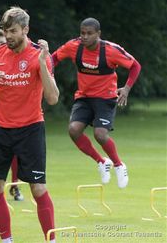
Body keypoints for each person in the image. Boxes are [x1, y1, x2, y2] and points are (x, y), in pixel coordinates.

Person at [0, 7, 59, 243]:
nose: (8, 36)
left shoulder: (39, 55)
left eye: (13, 31)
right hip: (1, 130)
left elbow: (52, 98)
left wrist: (43, 63)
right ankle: (6, 240)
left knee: (38, 189)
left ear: (25, 30)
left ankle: (51, 240)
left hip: (31, 129)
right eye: (5, 31)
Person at [51, 17, 141, 189]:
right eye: (82, 33)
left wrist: (127, 88)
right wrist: (49, 75)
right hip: (84, 97)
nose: (85, 37)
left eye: (89, 34)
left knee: (100, 134)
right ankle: (101, 162)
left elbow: (135, 66)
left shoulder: (111, 50)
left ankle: (119, 165)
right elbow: (53, 59)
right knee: (73, 130)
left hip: (105, 98)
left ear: (98, 34)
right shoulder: (73, 46)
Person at [0, 28, 24, 201]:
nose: (1, 46)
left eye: (3, 43)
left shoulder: (12, 63)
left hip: (4, 117)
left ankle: (14, 186)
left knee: (14, 154)